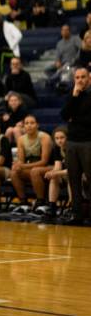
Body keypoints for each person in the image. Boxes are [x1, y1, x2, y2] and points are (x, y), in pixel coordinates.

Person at [60, 67, 91, 225]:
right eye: (77, 77)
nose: (80, 80)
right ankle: (76, 214)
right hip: (71, 142)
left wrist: (75, 118)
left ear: (89, 78)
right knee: (73, 179)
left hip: (88, 142)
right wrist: (74, 96)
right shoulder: (72, 95)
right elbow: (64, 115)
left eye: (83, 77)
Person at [9, 116, 53, 213]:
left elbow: (44, 161)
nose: (29, 125)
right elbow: (21, 160)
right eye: (26, 123)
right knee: (14, 173)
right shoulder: (21, 139)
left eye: (32, 123)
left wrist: (23, 166)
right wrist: (17, 165)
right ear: (24, 126)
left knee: (35, 171)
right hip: (31, 167)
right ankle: (23, 202)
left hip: (49, 167)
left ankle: (41, 202)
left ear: (37, 125)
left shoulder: (45, 137)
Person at [35, 126, 69, 220]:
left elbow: (73, 170)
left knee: (71, 177)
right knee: (54, 177)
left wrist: (56, 173)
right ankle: (52, 206)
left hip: (77, 175)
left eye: (62, 138)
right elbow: (57, 166)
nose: (59, 141)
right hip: (64, 174)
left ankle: (71, 207)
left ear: (68, 138)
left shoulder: (72, 148)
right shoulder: (57, 149)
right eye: (57, 138)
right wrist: (52, 172)